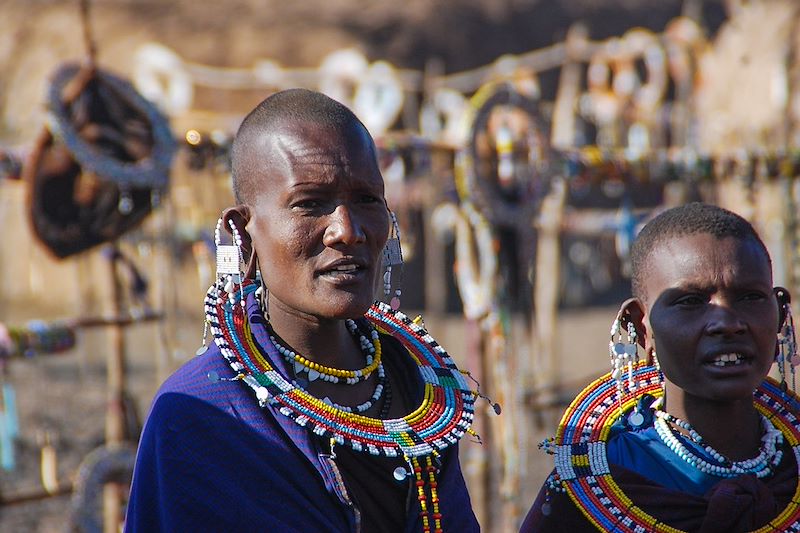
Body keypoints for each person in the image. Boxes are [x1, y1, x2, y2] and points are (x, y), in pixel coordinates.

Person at [125, 89, 480, 532]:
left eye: (368, 200)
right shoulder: (200, 416)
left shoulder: (418, 389)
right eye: (310, 203)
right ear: (244, 233)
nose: (347, 231)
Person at [522, 202, 800, 532]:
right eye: (691, 301)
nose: (727, 323)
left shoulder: (791, 467)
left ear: (780, 313)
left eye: (750, 297)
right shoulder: (597, 484)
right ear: (642, 328)